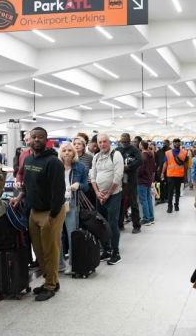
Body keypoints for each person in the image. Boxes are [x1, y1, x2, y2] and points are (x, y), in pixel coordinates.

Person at [14, 127, 66, 301]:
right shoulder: (28, 160)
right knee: (39, 250)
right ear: (29, 139)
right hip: (33, 211)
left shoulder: (54, 162)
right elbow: (28, 185)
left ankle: (51, 285)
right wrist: (20, 196)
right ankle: (50, 280)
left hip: (50, 212)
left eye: (40, 137)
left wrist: (53, 216)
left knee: (50, 250)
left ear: (46, 139)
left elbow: (59, 191)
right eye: (33, 137)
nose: (36, 139)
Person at [89, 134, 124, 265]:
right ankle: (106, 250)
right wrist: (97, 192)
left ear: (109, 142)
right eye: (100, 142)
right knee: (101, 224)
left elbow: (118, 176)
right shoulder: (96, 157)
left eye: (105, 142)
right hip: (100, 196)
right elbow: (92, 175)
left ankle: (116, 252)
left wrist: (108, 193)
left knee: (112, 223)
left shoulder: (116, 155)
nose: (102, 144)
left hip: (114, 195)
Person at [58, 141, 88, 274]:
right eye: (64, 150)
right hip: (57, 204)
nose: (67, 153)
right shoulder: (56, 166)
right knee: (56, 235)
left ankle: (72, 263)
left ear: (74, 153)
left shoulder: (80, 167)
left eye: (69, 150)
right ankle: (59, 264)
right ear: (60, 153)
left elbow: (86, 186)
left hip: (72, 203)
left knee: (72, 234)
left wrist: (78, 185)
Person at [117, 133, 142, 234]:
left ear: (129, 140)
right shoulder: (118, 150)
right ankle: (120, 224)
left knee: (133, 203)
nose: (124, 143)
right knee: (120, 202)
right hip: (120, 180)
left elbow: (140, 161)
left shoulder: (134, 149)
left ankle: (136, 225)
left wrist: (129, 167)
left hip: (131, 179)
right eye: (122, 142)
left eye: (126, 141)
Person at [162, 138, 188, 213]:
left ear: (180, 143)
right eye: (175, 142)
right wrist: (162, 172)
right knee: (170, 191)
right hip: (170, 175)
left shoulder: (184, 152)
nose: (177, 144)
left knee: (177, 191)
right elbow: (165, 163)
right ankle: (170, 207)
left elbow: (186, 164)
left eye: (178, 142)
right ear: (173, 143)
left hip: (179, 175)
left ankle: (176, 205)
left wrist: (185, 174)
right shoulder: (168, 153)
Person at [137, 140, 157, 225]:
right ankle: (151, 217)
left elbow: (140, 170)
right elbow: (153, 168)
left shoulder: (142, 156)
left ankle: (146, 219)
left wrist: (136, 174)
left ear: (141, 146)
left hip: (142, 180)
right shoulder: (151, 155)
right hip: (149, 179)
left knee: (143, 200)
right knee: (148, 199)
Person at [155, 139, 170, 204]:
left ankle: (166, 197)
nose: (164, 144)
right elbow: (157, 161)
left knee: (167, 184)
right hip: (161, 171)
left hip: (169, 171)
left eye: (165, 143)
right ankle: (161, 198)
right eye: (163, 143)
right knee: (161, 184)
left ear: (168, 144)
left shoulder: (171, 151)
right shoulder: (159, 152)